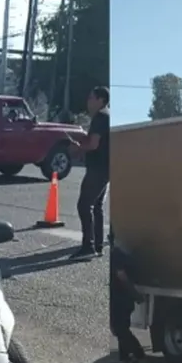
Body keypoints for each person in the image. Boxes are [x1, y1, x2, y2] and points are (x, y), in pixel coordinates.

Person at [67, 86, 110, 260]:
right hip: (106, 167)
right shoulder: (107, 116)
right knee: (97, 206)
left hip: (98, 168)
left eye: (91, 98)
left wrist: (77, 148)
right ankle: (97, 245)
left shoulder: (101, 117)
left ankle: (88, 247)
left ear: (100, 100)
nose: (88, 101)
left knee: (84, 205)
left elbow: (93, 145)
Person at [109, 228, 149, 363]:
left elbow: (122, 276)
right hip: (125, 298)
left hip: (119, 298)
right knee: (122, 329)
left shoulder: (116, 255)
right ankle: (123, 361)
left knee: (119, 330)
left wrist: (135, 295)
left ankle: (140, 357)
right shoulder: (128, 254)